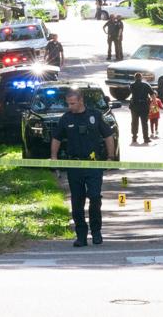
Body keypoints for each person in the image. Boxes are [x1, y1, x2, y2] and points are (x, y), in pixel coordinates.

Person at [50, 89, 116, 247]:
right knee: (77, 200)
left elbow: (108, 136)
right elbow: (56, 138)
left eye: (72, 103)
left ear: (81, 101)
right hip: (74, 165)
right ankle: (81, 235)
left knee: (94, 197)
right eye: (68, 103)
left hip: (93, 164)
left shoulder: (95, 115)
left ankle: (96, 232)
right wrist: (54, 157)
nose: (70, 106)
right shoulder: (66, 118)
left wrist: (110, 157)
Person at [129, 73, 153, 144]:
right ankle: (146, 138)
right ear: (141, 78)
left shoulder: (131, 85)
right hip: (144, 106)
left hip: (134, 106)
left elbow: (131, 91)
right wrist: (153, 103)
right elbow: (152, 95)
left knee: (134, 122)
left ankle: (134, 138)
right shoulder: (146, 85)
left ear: (135, 78)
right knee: (144, 122)